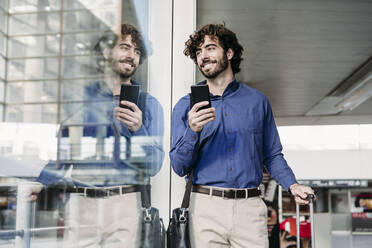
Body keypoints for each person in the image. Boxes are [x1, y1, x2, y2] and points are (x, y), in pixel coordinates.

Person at [169, 23, 316, 248]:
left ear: (229, 53)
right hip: (205, 208)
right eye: (198, 52)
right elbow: (179, 167)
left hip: (250, 209)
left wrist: (292, 186)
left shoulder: (258, 102)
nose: (203, 56)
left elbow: (272, 155)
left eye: (209, 48)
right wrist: (193, 131)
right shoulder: (185, 107)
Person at [35, 23, 164, 247]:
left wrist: (137, 130)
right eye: (125, 47)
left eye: (137, 51)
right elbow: (64, 153)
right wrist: (39, 183)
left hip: (125, 203)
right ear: (105, 51)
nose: (131, 55)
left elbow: (153, 166)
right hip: (82, 203)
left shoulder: (149, 105)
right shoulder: (83, 100)